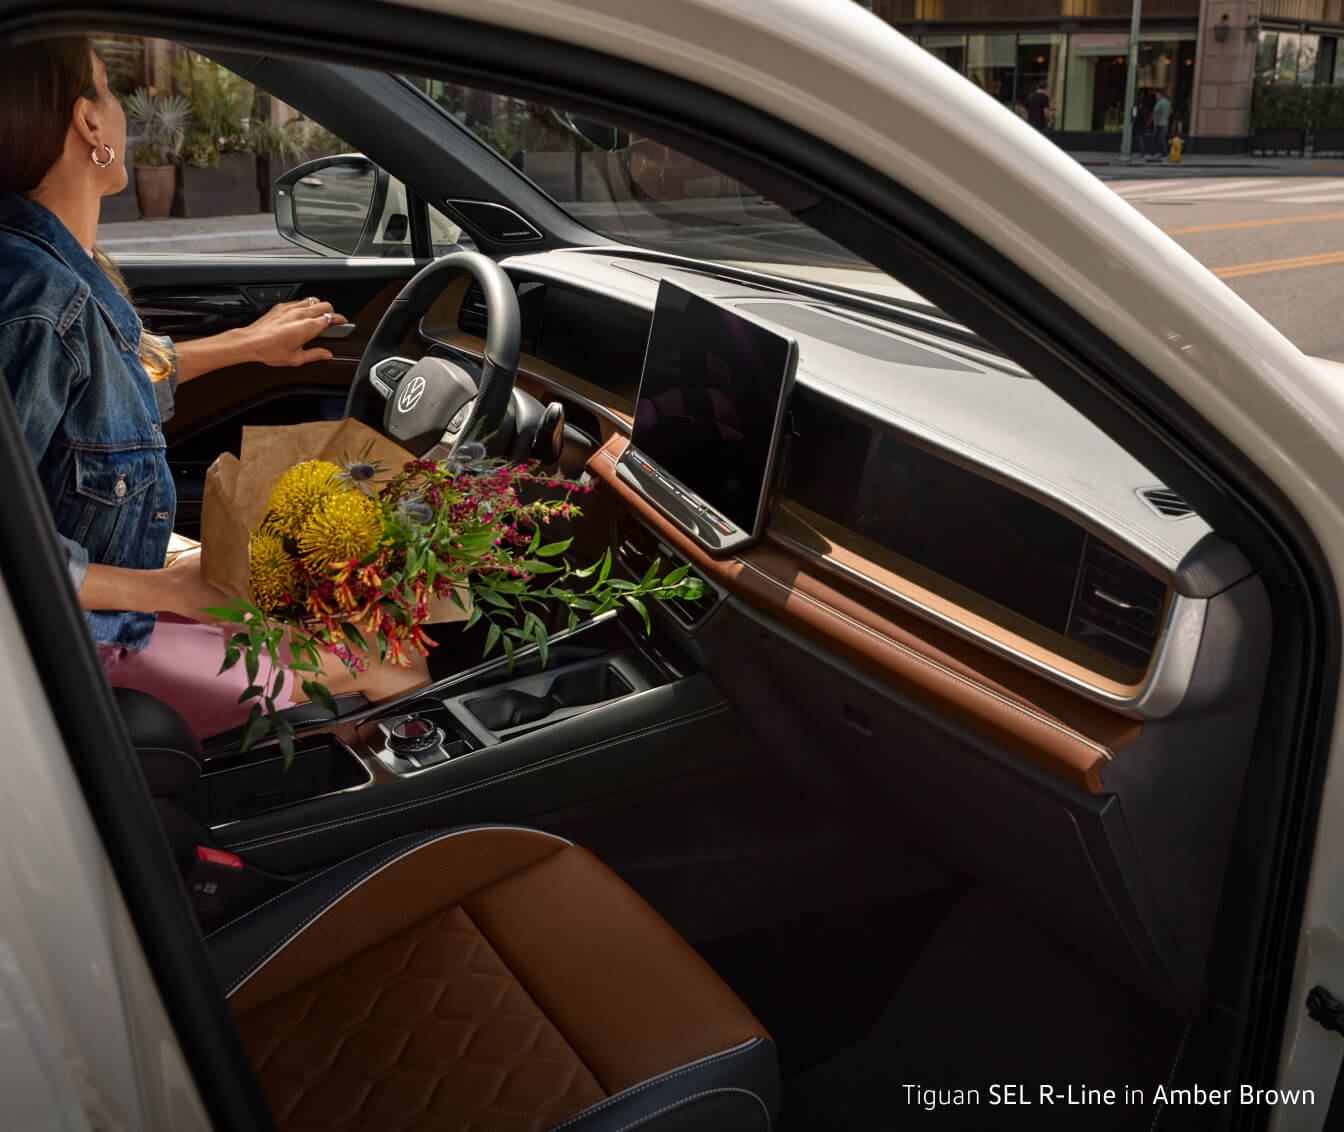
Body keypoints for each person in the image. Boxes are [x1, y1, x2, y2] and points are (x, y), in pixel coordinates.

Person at [0, 36, 427, 738]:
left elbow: (102, 392)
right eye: (110, 90)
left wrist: (248, 345)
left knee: (339, 603)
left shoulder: (43, 268)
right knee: (390, 657)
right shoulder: (39, 298)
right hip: (81, 652)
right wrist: (167, 588)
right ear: (88, 124)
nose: (122, 114)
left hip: (95, 607)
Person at [1150, 88, 1173, 163]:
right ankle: (1154, 151)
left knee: (1159, 137)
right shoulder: (1167, 102)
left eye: (1157, 95)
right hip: (1164, 122)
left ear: (1160, 95)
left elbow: (1154, 111)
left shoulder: (1159, 102)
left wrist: (1150, 120)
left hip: (1159, 123)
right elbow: (1170, 111)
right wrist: (1166, 117)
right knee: (1157, 137)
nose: (1156, 97)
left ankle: (1163, 152)